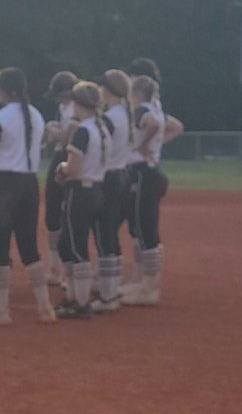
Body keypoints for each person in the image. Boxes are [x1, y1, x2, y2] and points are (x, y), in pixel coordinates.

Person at [0, 68, 55, 326]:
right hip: (29, 183)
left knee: (1, 247)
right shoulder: (36, 114)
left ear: (1, 89)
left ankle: (1, 309)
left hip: (5, 184)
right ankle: (45, 306)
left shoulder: (0, 117)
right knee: (29, 246)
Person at [123, 74, 183, 306]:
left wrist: (143, 145)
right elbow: (172, 126)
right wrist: (154, 144)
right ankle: (147, 283)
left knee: (145, 229)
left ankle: (149, 287)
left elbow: (154, 126)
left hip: (142, 172)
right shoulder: (156, 108)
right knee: (145, 228)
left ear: (136, 93)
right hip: (151, 171)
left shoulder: (142, 111)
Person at [55, 81, 110, 320]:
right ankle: (76, 298)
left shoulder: (83, 130)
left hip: (80, 190)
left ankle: (81, 301)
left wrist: (61, 168)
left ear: (78, 104)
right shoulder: (101, 128)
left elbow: (73, 168)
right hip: (97, 189)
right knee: (69, 244)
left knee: (76, 247)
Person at [91, 69, 133, 314]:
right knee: (110, 235)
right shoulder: (125, 114)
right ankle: (112, 288)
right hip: (122, 176)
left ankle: (108, 295)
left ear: (107, 90)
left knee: (103, 235)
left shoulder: (110, 117)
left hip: (108, 178)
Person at [42, 71, 78, 288]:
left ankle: (68, 269)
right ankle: (55, 266)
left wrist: (51, 130)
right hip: (59, 155)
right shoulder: (64, 108)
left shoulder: (76, 108)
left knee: (69, 213)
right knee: (53, 211)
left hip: (70, 156)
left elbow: (66, 139)